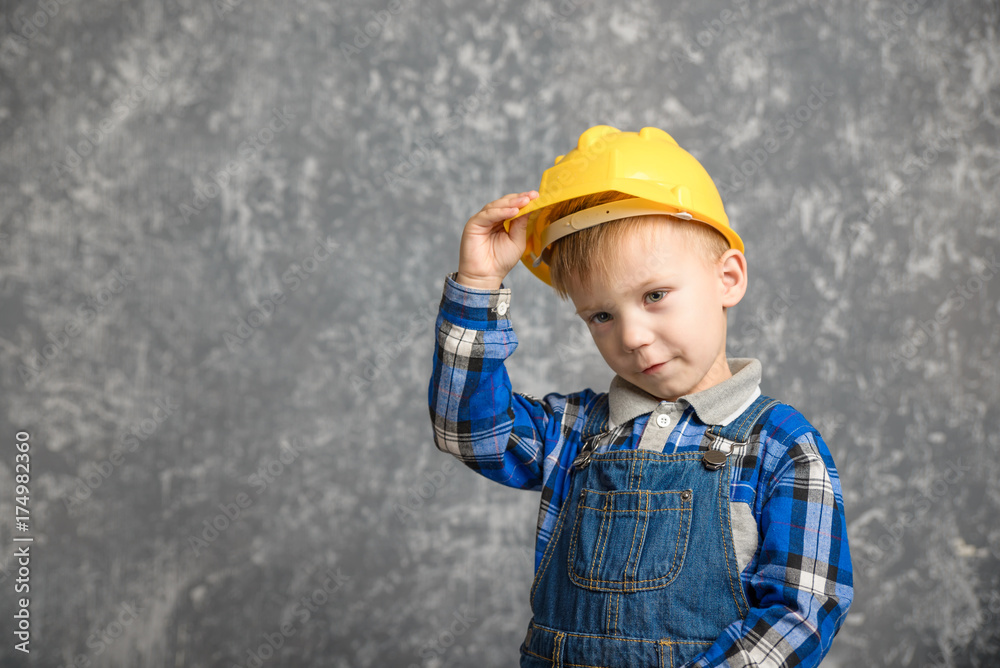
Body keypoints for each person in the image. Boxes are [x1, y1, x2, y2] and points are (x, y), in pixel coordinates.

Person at [427, 125, 853, 667]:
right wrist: (478, 285)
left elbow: (803, 611)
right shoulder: (576, 430)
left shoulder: (781, 447)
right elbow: (466, 431)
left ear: (728, 278)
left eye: (654, 295)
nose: (630, 336)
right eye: (601, 316)